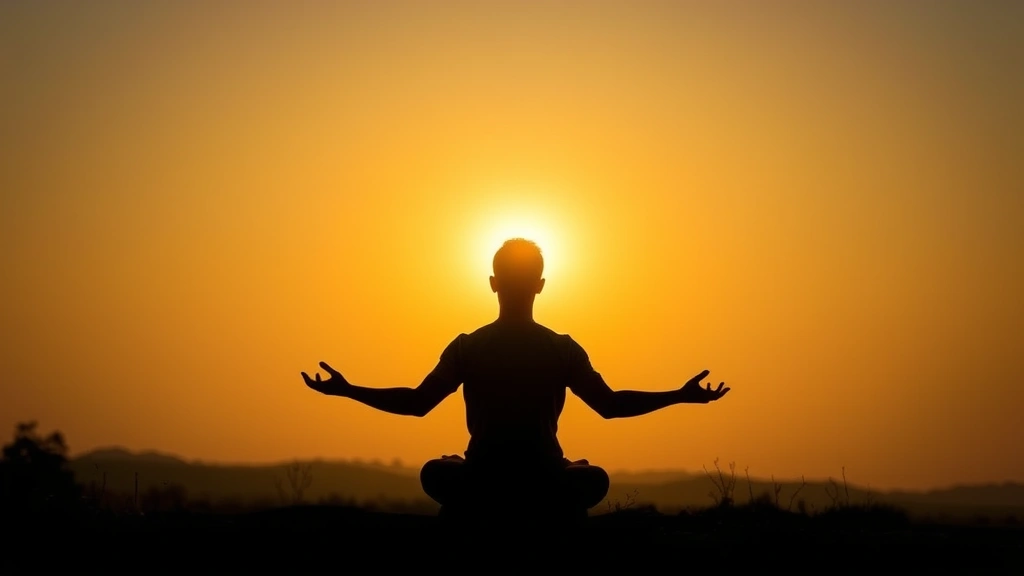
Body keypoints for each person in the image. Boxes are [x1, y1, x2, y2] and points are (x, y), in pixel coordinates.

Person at [301, 238, 730, 519]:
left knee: (439, 472)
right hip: (543, 481)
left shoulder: (469, 346)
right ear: (540, 285)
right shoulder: (561, 347)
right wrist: (679, 395)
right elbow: (611, 405)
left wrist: (348, 389)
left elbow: (416, 403)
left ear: (492, 283)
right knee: (590, 479)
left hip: (484, 481)